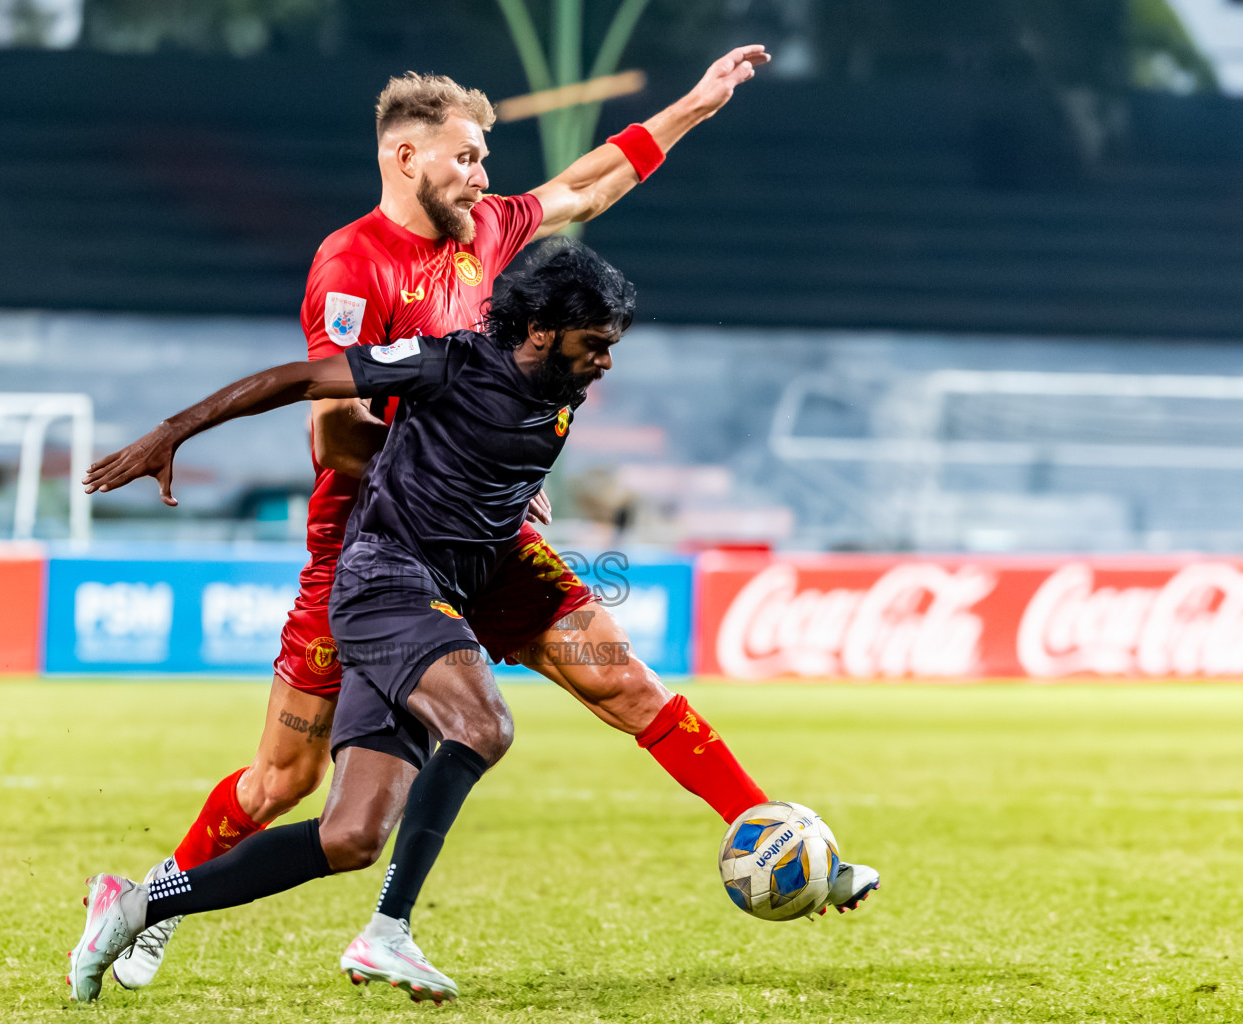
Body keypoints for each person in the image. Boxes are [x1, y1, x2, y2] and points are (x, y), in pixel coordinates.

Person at [99, 45, 877, 992]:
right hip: (368, 547)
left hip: (487, 546)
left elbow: (587, 187)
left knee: (623, 679)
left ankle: (784, 844)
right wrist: (464, 465)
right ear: (406, 158)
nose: (483, 176)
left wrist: (695, 107)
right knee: (283, 783)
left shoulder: (488, 234)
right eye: (465, 158)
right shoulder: (351, 265)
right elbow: (334, 433)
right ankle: (150, 907)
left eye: (483, 159)